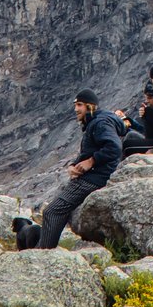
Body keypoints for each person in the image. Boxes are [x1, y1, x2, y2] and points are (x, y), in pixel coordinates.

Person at [31, 89, 122, 249]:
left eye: (79, 105)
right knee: (59, 208)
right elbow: (90, 150)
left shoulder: (100, 123)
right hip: (95, 175)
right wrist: (75, 165)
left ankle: (43, 253)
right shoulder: (96, 122)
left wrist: (91, 162)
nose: (76, 109)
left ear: (90, 106)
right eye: (75, 105)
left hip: (95, 178)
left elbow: (114, 147)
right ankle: (43, 248)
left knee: (51, 212)